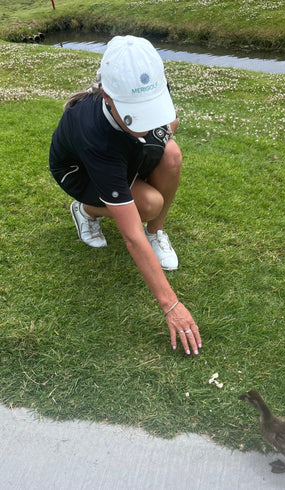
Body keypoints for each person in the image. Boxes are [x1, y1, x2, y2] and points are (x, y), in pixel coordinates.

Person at [49, 35, 201, 355]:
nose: (144, 123)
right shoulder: (93, 133)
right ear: (107, 95)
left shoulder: (147, 81)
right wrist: (170, 304)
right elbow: (130, 237)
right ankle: (86, 211)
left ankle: (157, 232)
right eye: (134, 113)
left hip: (123, 152)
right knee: (147, 204)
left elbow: (169, 122)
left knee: (172, 155)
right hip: (80, 173)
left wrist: (154, 130)